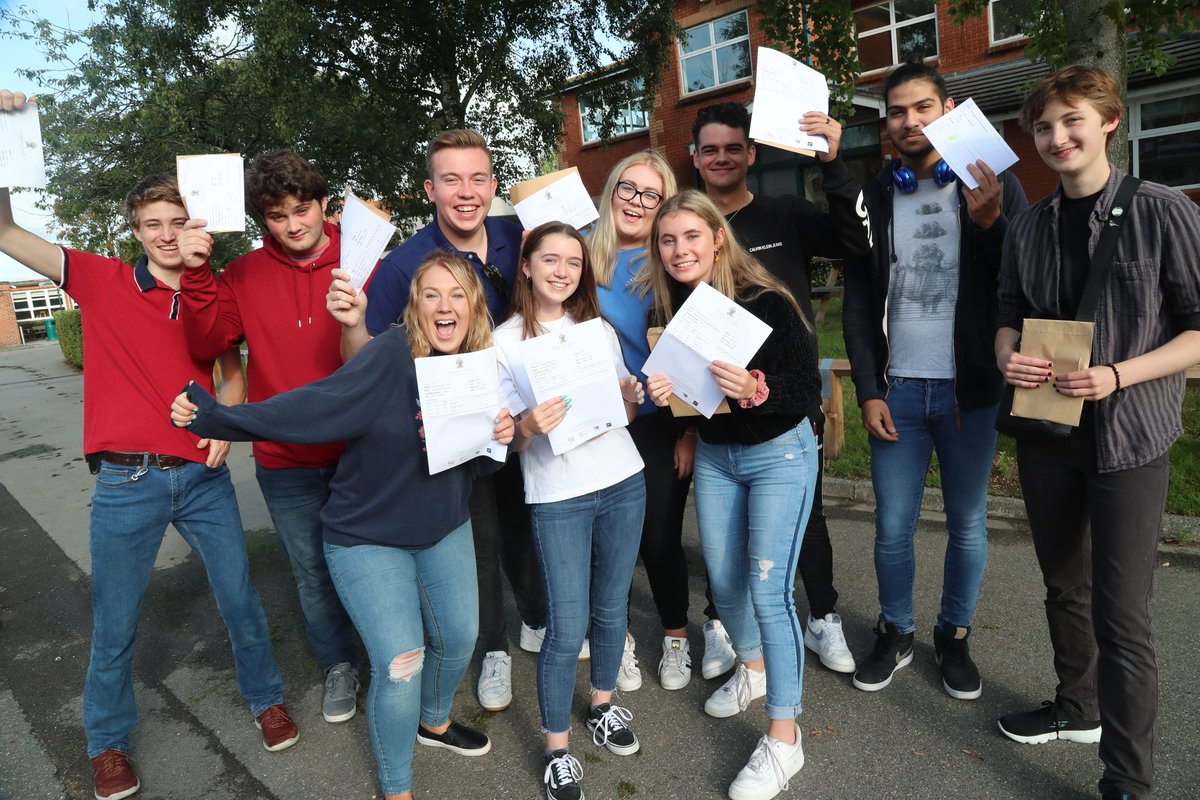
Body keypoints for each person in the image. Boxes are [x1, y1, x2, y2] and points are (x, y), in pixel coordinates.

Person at [0, 90, 295, 800]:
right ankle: (107, 742)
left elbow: (230, 367)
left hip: (201, 478)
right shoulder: (99, 279)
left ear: (195, 225)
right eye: (152, 224)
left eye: (177, 221)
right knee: (116, 623)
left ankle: (266, 700)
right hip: (125, 485)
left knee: (240, 601)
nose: (167, 234)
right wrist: (6, 141)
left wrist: (225, 419)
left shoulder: (211, 287)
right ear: (135, 230)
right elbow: (6, 233)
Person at [174, 252, 514, 800]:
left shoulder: (478, 364)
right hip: (367, 536)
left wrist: (497, 434)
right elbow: (313, 407)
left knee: (459, 639)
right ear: (414, 306)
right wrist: (220, 417)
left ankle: (434, 721)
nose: (445, 305)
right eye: (431, 294)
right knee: (401, 662)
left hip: (442, 525)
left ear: (474, 306)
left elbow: (477, 464)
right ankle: (396, 786)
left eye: (457, 294)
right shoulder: (387, 357)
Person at [994, 65, 1200, 800]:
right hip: (1049, 434)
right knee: (1063, 587)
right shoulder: (1028, 223)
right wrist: (1006, 356)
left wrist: (1117, 375)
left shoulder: (1163, 209)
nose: (1057, 137)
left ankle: (1129, 781)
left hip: (1129, 437)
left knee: (1123, 614)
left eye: (1072, 120)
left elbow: (1199, 330)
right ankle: (1077, 707)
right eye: (1044, 127)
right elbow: (1008, 310)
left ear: (1109, 120)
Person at [327, 129, 549, 713]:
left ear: (494, 184)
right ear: (431, 188)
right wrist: (350, 322)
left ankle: (537, 616)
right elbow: (366, 358)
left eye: (478, 178)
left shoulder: (515, 236)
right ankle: (494, 650)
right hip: (453, 433)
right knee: (479, 539)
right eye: (451, 179)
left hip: (520, 420)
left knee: (525, 525)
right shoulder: (405, 264)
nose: (466, 191)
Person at [842, 59, 1028, 699]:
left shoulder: (992, 181)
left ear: (949, 111)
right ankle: (895, 631)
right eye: (897, 111)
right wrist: (867, 387)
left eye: (922, 107)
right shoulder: (878, 192)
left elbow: (1022, 282)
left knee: (967, 522)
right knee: (892, 525)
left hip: (967, 390)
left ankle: (954, 636)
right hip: (897, 390)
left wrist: (991, 225)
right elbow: (860, 301)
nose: (909, 120)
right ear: (887, 123)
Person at [646, 190, 822, 800]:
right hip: (719, 458)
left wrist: (753, 387)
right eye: (667, 240)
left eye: (691, 236)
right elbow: (692, 395)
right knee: (722, 583)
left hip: (780, 453)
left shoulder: (765, 299)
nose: (679, 250)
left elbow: (805, 388)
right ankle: (749, 669)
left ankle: (784, 739)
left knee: (769, 590)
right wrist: (673, 403)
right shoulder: (678, 305)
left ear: (717, 238)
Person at [178, 149, 360, 723]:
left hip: (364, 449)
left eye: (302, 209)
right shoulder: (242, 275)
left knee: (376, 560)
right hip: (286, 458)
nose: (294, 225)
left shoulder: (363, 256)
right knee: (311, 571)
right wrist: (197, 271)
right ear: (264, 222)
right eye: (278, 216)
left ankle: (391, 656)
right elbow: (208, 343)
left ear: (323, 204)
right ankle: (339, 665)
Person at [692, 101, 873, 675]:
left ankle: (822, 616)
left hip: (786, 398)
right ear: (695, 158)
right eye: (710, 148)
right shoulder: (688, 226)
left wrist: (835, 166)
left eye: (732, 147)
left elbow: (854, 242)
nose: (721, 157)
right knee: (722, 535)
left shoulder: (785, 214)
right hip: (712, 405)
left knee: (807, 514)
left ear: (751, 154)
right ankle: (721, 623)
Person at [495, 222, 646, 800]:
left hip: (623, 481)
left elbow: (623, 416)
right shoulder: (503, 340)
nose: (562, 271)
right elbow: (511, 440)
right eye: (550, 259)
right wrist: (527, 426)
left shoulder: (597, 330)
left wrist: (630, 399)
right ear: (527, 266)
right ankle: (558, 750)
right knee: (565, 625)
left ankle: (603, 707)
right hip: (558, 494)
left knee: (612, 608)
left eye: (573, 263)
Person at [588, 149, 736, 692]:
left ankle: (676, 636)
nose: (637, 202)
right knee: (605, 540)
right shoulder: (581, 252)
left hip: (657, 420)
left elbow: (701, 356)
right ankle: (617, 637)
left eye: (651, 194)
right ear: (612, 191)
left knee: (657, 538)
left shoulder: (670, 265)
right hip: (597, 419)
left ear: (663, 204)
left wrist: (691, 429)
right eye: (628, 188)